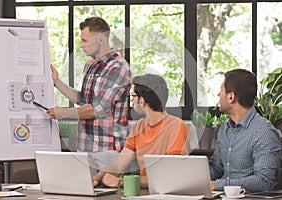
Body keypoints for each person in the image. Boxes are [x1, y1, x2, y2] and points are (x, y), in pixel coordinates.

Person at [47, 17, 131, 154]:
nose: (81, 45)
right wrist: (57, 82)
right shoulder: (90, 65)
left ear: (101, 40)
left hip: (107, 150)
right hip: (85, 147)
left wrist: (63, 113)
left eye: (85, 40)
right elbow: (83, 99)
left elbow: (97, 110)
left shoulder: (118, 67)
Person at [92, 74, 190, 188]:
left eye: (133, 96)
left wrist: (122, 182)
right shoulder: (139, 127)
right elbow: (119, 163)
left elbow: (171, 176)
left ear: (142, 101)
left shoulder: (176, 127)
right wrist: (96, 178)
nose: (132, 101)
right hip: (145, 192)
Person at [209, 69, 281, 192]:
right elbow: (216, 168)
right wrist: (192, 180)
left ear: (231, 96)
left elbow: (264, 181)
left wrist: (218, 185)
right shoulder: (225, 127)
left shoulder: (264, 132)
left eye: (221, 90)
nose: (218, 95)